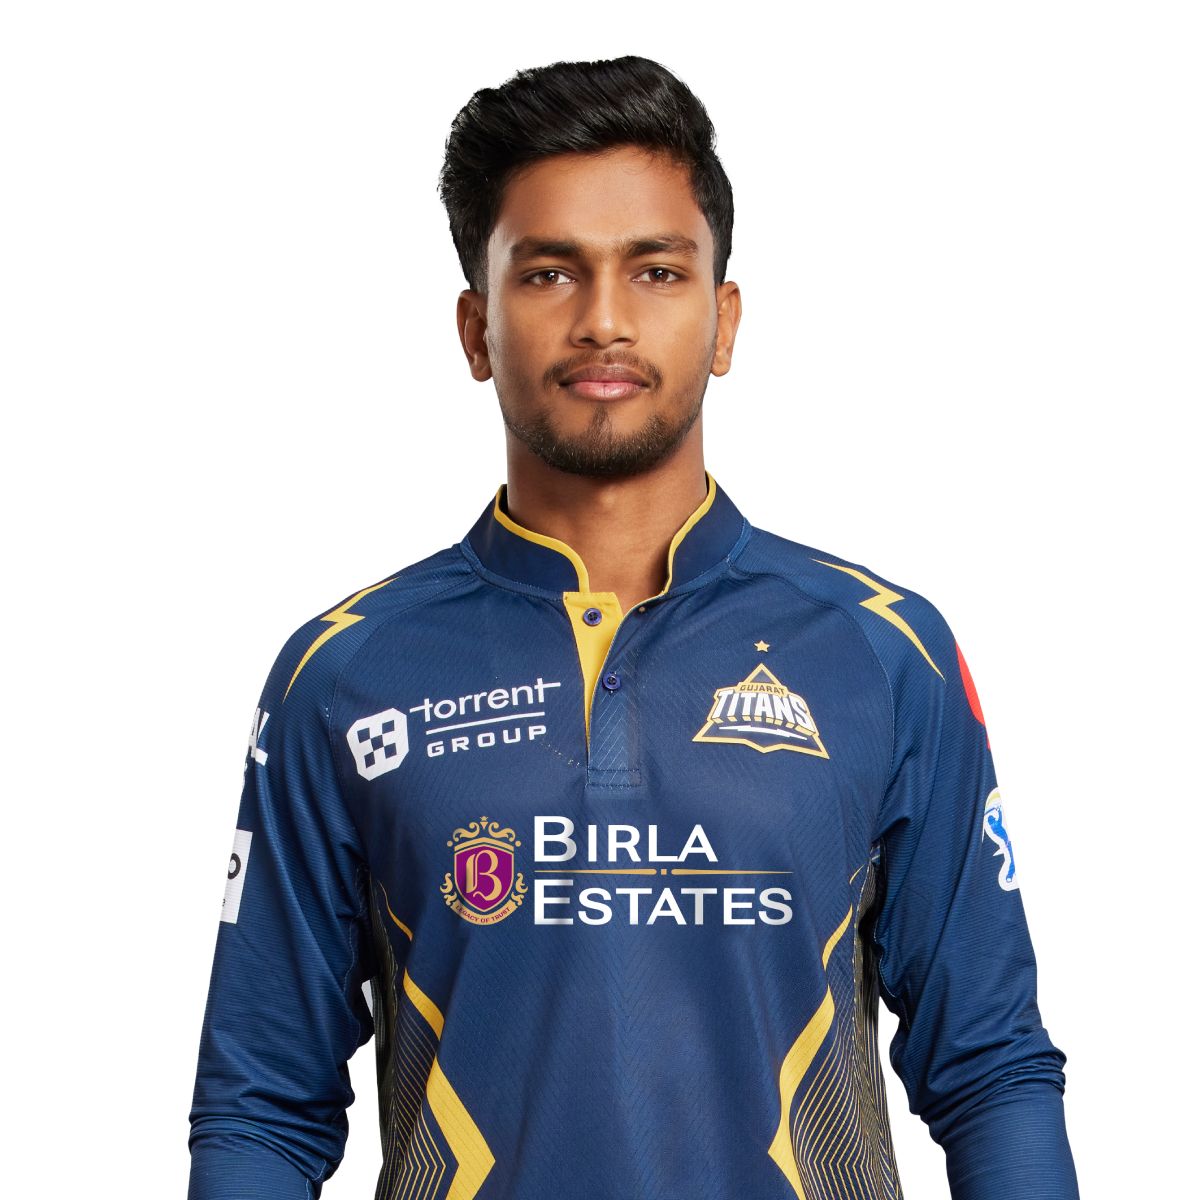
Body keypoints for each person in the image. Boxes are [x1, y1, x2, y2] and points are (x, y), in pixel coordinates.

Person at [188, 55, 1077, 1200]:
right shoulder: (341, 672)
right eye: (549, 273)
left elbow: (992, 1070)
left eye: (656, 271)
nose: (603, 320)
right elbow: (262, 1104)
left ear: (724, 320)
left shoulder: (886, 651)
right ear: (474, 329)